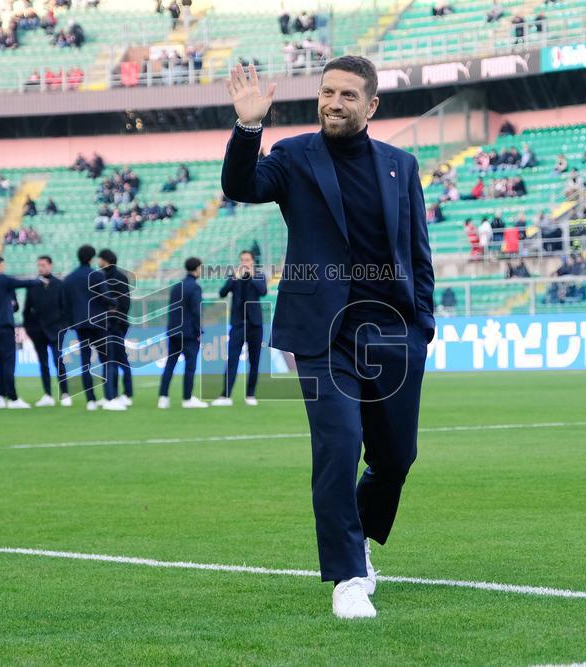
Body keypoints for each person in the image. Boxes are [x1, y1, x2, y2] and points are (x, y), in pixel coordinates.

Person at [222, 57, 433, 620]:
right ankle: (347, 576)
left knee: (395, 458)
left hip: (392, 334)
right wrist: (249, 128)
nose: (333, 102)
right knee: (338, 447)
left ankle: (358, 535)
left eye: (346, 94)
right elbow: (242, 184)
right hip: (321, 334)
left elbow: (417, 253)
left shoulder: (401, 165)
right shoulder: (293, 156)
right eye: (326, 92)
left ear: (371, 105)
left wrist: (421, 330)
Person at [0, 255, 43, 409]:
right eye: (2, 265)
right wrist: (40, 280)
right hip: (3, 327)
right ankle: (12, 398)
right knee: (8, 362)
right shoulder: (3, 280)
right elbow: (24, 283)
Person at [212, 250, 267, 406]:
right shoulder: (234, 276)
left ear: (253, 261)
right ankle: (226, 395)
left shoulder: (259, 275)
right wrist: (234, 278)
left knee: (254, 361)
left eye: (247, 259)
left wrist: (251, 275)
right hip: (237, 324)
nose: (244, 262)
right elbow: (222, 293)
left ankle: (250, 395)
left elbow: (263, 291)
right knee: (232, 360)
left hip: (255, 324)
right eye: (242, 259)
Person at [158, 257, 208, 409]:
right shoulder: (195, 288)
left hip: (174, 331)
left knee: (170, 365)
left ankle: (163, 398)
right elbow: (195, 311)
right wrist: (198, 330)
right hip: (189, 334)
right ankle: (187, 398)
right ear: (197, 268)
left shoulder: (176, 286)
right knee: (190, 366)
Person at [62, 244, 107, 411]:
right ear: (91, 258)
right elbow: (105, 295)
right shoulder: (96, 275)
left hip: (80, 324)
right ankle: (109, 396)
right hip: (97, 323)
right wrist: (114, 303)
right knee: (106, 359)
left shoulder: (70, 278)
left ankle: (90, 400)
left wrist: (72, 321)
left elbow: (65, 303)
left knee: (85, 363)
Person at [24, 255, 72, 407]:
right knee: (43, 364)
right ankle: (47, 395)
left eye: (43, 265)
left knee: (59, 361)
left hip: (56, 330)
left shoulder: (59, 285)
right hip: (38, 332)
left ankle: (65, 393)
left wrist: (63, 327)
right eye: (39, 265)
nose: (40, 268)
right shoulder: (33, 285)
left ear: (50, 266)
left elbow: (66, 308)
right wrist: (30, 329)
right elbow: (26, 310)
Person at [95, 249, 133, 408]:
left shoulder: (119, 277)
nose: (98, 261)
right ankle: (111, 393)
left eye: (100, 259)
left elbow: (125, 302)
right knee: (108, 359)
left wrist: (116, 316)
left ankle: (126, 393)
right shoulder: (100, 277)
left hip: (116, 325)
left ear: (106, 260)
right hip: (104, 325)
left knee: (119, 359)